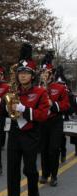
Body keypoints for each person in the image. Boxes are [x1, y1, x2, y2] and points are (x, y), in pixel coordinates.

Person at [2, 43, 49, 196]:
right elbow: (5, 109)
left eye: (26, 73)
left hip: (31, 133)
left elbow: (43, 115)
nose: (22, 76)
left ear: (32, 75)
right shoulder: (13, 91)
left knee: (30, 169)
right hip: (15, 132)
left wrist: (25, 110)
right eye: (20, 73)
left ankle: (34, 194)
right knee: (12, 168)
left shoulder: (40, 92)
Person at [39, 54, 70, 186]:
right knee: (44, 149)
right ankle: (45, 174)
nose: (43, 75)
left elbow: (66, 105)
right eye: (42, 73)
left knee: (53, 148)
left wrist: (53, 104)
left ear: (51, 74)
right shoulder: (38, 88)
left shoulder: (60, 88)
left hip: (56, 121)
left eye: (46, 73)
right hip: (43, 122)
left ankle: (54, 175)